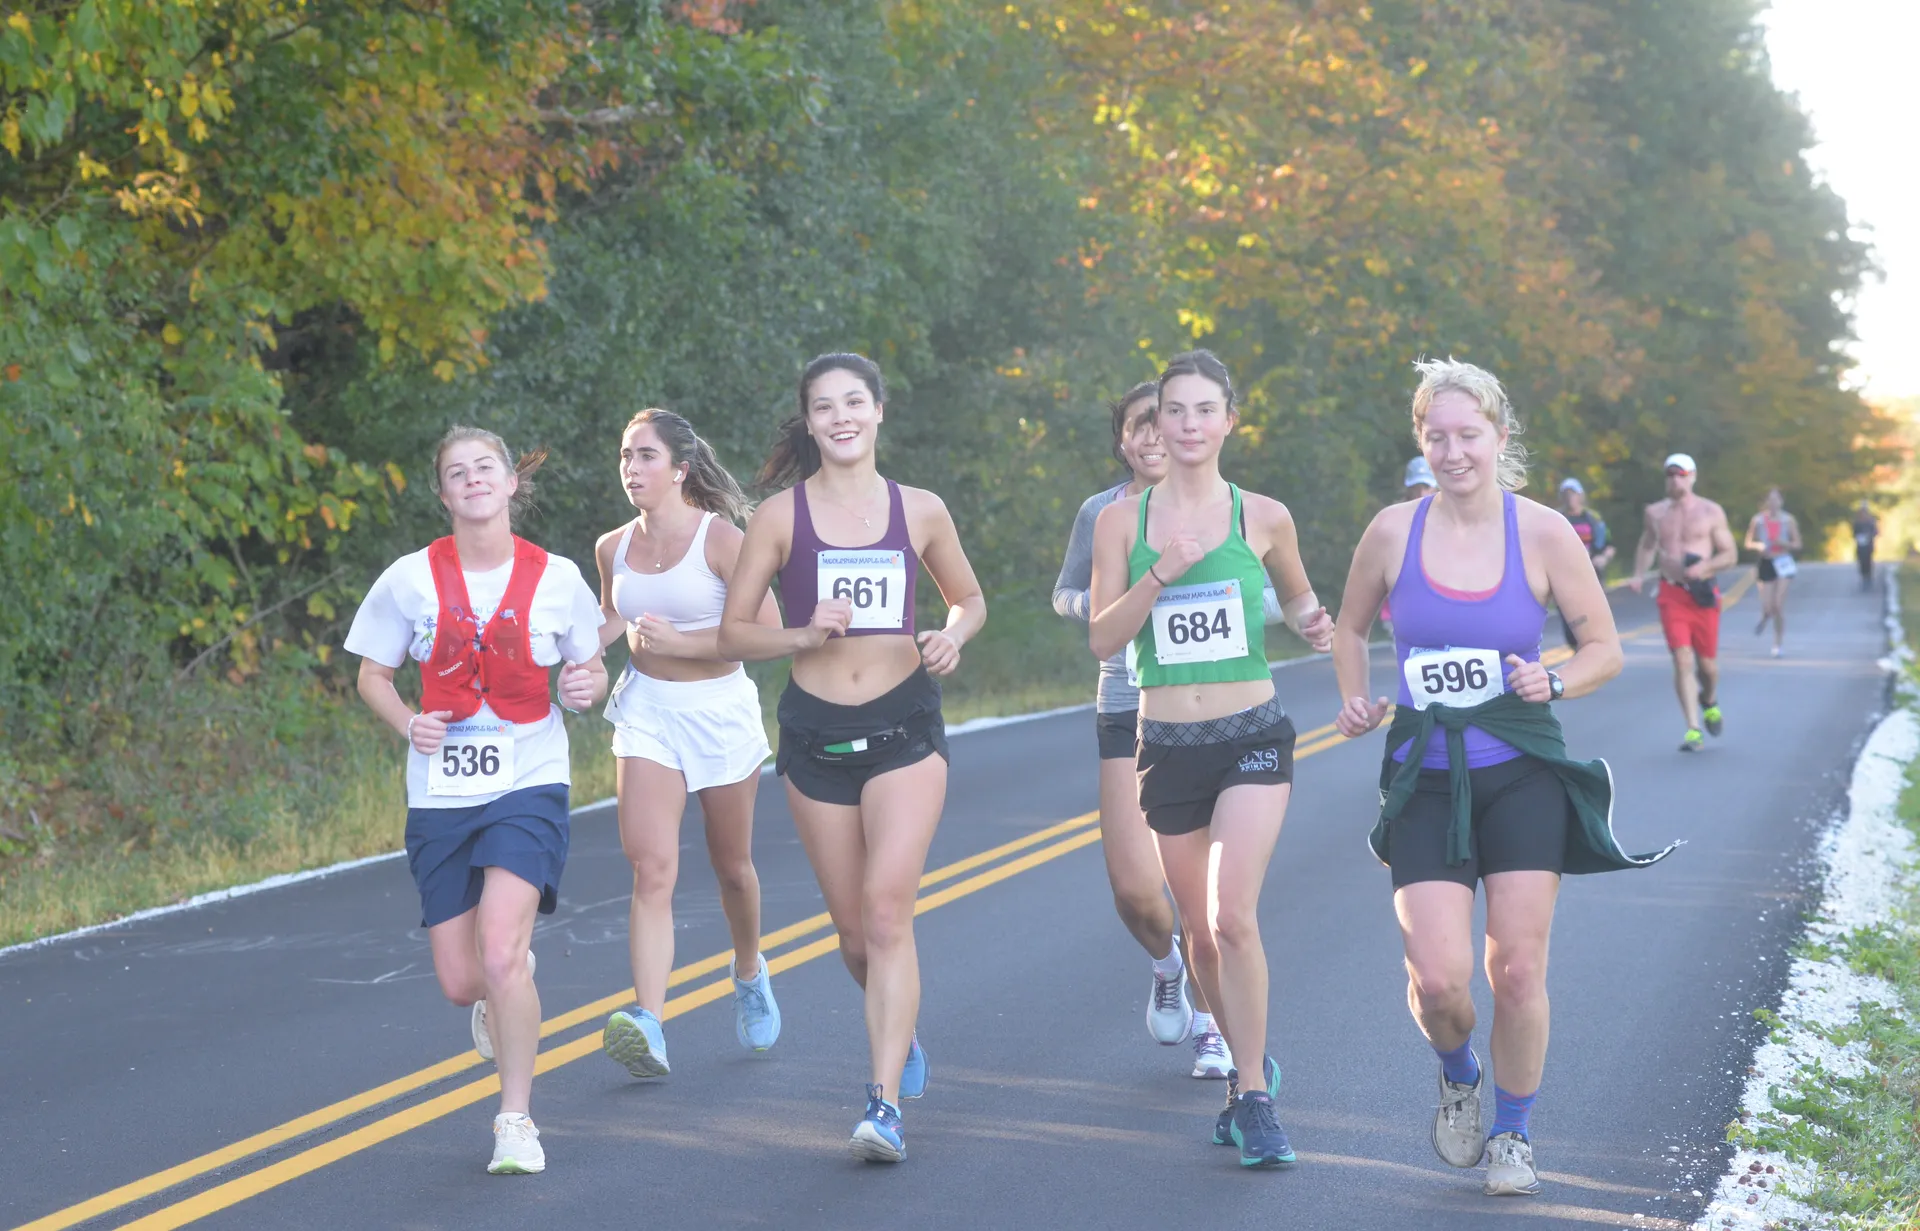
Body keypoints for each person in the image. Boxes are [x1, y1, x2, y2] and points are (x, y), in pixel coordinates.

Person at [1332, 359, 1669, 1198]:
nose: (1453, 452)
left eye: (1468, 435)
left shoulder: (1545, 532)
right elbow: (1347, 627)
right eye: (1436, 437)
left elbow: (1605, 648)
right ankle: (1458, 1071)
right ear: (1422, 442)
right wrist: (1355, 697)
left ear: (1500, 437)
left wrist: (1551, 678)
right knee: (1439, 979)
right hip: (1426, 777)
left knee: (1516, 968)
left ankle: (1513, 1131)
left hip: (1521, 771)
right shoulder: (1391, 531)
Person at [717, 352, 988, 1164]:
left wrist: (951, 634)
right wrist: (799, 632)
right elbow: (733, 633)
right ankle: (896, 1028)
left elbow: (969, 599)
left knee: (885, 911)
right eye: (823, 405)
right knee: (853, 938)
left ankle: (882, 1103)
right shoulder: (777, 517)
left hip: (905, 727)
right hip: (816, 737)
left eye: (854, 401)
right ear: (808, 421)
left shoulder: (922, 510)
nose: (840, 416)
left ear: (879, 412)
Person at [1088, 349, 1334, 1170]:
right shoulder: (1121, 522)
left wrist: (1318, 624)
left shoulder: (1262, 514)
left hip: (1251, 732)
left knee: (1234, 916)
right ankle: (1238, 1081)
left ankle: (1256, 1092)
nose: (1188, 425)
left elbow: (1299, 600)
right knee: (1196, 927)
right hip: (1165, 744)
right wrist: (1163, 571)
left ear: (1230, 419)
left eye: (1204, 410)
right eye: (1174, 411)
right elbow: (1101, 636)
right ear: (1154, 424)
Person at [345, 426, 609, 1176]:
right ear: (443, 493)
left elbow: (588, 672)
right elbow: (372, 674)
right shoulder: (408, 578)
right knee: (466, 979)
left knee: (501, 952)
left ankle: (515, 1119)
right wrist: (408, 720)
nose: (472, 480)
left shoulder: (557, 577)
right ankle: (499, 989)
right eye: (456, 472)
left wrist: (585, 689)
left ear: (510, 482)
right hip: (441, 790)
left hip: (529, 778)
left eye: (484, 467)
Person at [1054, 383, 1283, 1080]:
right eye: (1140, 427)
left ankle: (1214, 1029)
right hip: (1133, 706)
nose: (1156, 437)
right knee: (1133, 889)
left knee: (1214, 905)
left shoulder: (1235, 509)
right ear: (1123, 439)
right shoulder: (1105, 515)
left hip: (1223, 713)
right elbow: (1068, 595)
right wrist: (1124, 595)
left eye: (1167, 423)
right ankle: (1166, 967)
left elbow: (1270, 596)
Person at [594, 409, 785, 1081]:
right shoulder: (612, 546)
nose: (631, 468)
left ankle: (749, 968)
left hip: (719, 712)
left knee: (732, 866)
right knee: (652, 868)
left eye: (645, 456)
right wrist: (579, 656)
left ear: (679, 468)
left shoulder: (722, 540)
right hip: (647, 711)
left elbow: (768, 631)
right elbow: (614, 614)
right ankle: (648, 1021)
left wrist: (686, 642)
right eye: (625, 455)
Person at [1631, 454, 1737, 751]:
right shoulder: (1655, 513)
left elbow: (1730, 554)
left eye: (1681, 475)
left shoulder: (1711, 511)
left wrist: (1704, 568)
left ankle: (1710, 699)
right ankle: (1693, 729)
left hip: (1702, 592)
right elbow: (1648, 543)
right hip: (1671, 592)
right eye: (1670, 475)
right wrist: (1639, 574)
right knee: (1682, 659)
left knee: (1708, 666)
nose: (1675, 480)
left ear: (1692, 477)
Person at [1743, 488, 1802, 658]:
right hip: (1766, 563)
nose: (1773, 503)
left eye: (1776, 500)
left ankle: (1778, 643)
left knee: (1778, 605)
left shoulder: (1788, 520)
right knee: (1768, 606)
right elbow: (1748, 542)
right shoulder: (1758, 520)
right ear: (1766, 503)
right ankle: (1764, 616)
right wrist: (1758, 546)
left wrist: (1784, 543)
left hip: (1783, 562)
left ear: (1781, 502)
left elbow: (1797, 544)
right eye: (1770, 500)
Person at [1557, 477, 1614, 647]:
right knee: (1571, 624)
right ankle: (1579, 652)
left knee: (1593, 619)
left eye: (1573, 493)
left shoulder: (1593, 518)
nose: (1570, 498)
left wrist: (1603, 558)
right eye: (1566, 494)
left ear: (1580, 495)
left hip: (1592, 575)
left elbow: (1609, 545)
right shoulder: (1556, 518)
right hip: (1566, 578)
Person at [1852, 500, 1879, 590]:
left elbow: (1876, 531)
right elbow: (1854, 532)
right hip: (1860, 545)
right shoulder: (1857, 521)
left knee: (1868, 560)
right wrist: (1858, 537)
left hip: (1868, 544)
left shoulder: (1871, 521)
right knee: (1861, 561)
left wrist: (1869, 536)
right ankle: (1864, 577)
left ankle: (1868, 577)